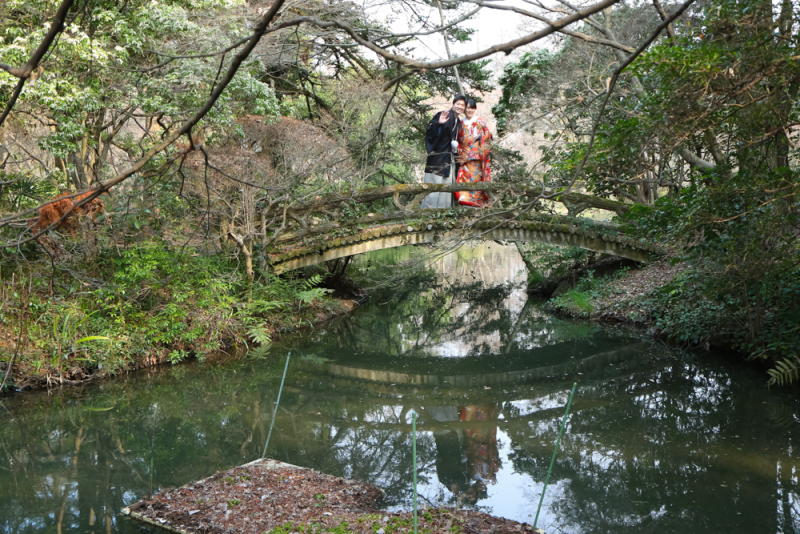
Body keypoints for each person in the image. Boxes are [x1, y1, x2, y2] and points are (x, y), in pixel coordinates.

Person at [421, 95, 466, 209]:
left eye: (462, 105)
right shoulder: (444, 115)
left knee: (446, 191)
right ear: (453, 104)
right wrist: (438, 124)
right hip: (437, 159)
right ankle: (427, 216)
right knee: (433, 189)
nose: (460, 107)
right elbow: (430, 131)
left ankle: (442, 217)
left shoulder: (459, 122)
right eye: (458, 104)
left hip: (449, 160)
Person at [455, 99, 492, 207]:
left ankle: (478, 206)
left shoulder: (479, 121)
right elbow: (459, 140)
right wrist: (459, 151)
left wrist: (485, 128)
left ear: (475, 109)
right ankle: (465, 204)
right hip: (465, 159)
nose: (470, 110)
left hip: (477, 159)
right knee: (464, 183)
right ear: (464, 109)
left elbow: (487, 138)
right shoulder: (461, 123)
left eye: (472, 108)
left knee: (476, 182)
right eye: (468, 108)